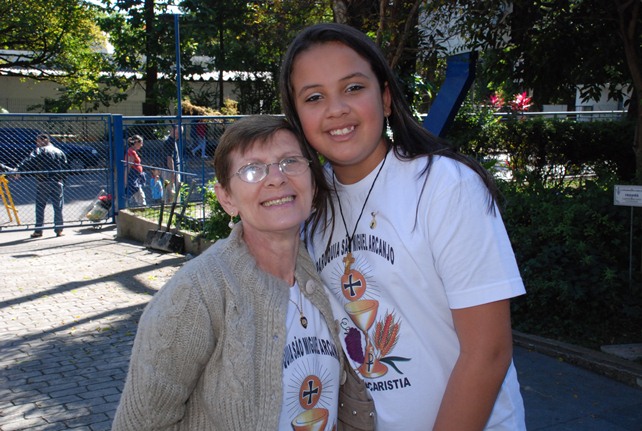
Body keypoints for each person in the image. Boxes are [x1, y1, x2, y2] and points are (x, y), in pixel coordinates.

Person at [280, 23, 526, 430]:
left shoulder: (444, 186)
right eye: (314, 97)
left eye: (353, 88)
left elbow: (489, 352)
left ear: (386, 98)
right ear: (298, 116)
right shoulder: (306, 210)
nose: (336, 109)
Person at [112, 115, 343, 431]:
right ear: (227, 198)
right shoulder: (198, 293)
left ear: (313, 184)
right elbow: (140, 424)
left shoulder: (324, 274)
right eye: (252, 169)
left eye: (290, 162)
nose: (276, 178)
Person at [13, 133, 67, 238]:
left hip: (44, 181)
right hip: (58, 181)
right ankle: (59, 229)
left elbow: (30, 160)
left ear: (44, 140)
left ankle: (38, 230)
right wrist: (63, 182)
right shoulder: (59, 151)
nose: (36, 144)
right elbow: (65, 167)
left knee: (40, 206)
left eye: (38, 141)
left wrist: (19, 170)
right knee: (58, 206)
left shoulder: (40, 150)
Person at [124, 135, 147, 206]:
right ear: (136, 142)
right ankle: (142, 206)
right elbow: (128, 165)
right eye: (141, 143)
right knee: (136, 190)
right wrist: (125, 179)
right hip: (133, 176)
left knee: (136, 191)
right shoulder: (131, 152)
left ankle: (141, 205)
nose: (142, 145)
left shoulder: (133, 151)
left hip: (136, 176)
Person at [162, 124, 182, 203]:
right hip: (170, 170)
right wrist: (172, 172)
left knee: (171, 189)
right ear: (172, 131)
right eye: (178, 133)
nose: (179, 135)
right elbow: (169, 158)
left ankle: (172, 204)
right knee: (171, 190)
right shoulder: (170, 142)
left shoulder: (172, 141)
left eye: (180, 133)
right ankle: (171, 205)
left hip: (171, 170)